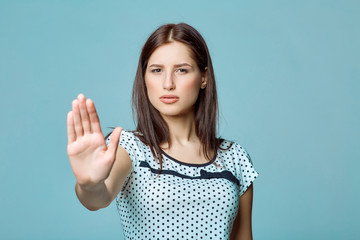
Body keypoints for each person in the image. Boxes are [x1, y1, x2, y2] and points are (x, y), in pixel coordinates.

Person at [67, 22, 259, 240]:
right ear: (145, 78)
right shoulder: (130, 148)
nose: (168, 83)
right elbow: (97, 198)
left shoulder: (235, 157)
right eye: (157, 70)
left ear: (203, 77)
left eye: (182, 70)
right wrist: (89, 184)